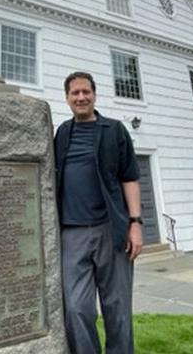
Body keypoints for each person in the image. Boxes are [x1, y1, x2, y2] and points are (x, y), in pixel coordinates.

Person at [54, 71, 142, 353]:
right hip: (71, 233)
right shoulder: (62, 133)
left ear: (94, 94)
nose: (81, 97)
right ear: (67, 98)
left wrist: (135, 223)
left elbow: (129, 177)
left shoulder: (114, 130)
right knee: (76, 308)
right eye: (74, 93)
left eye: (85, 92)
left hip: (111, 230)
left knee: (117, 308)